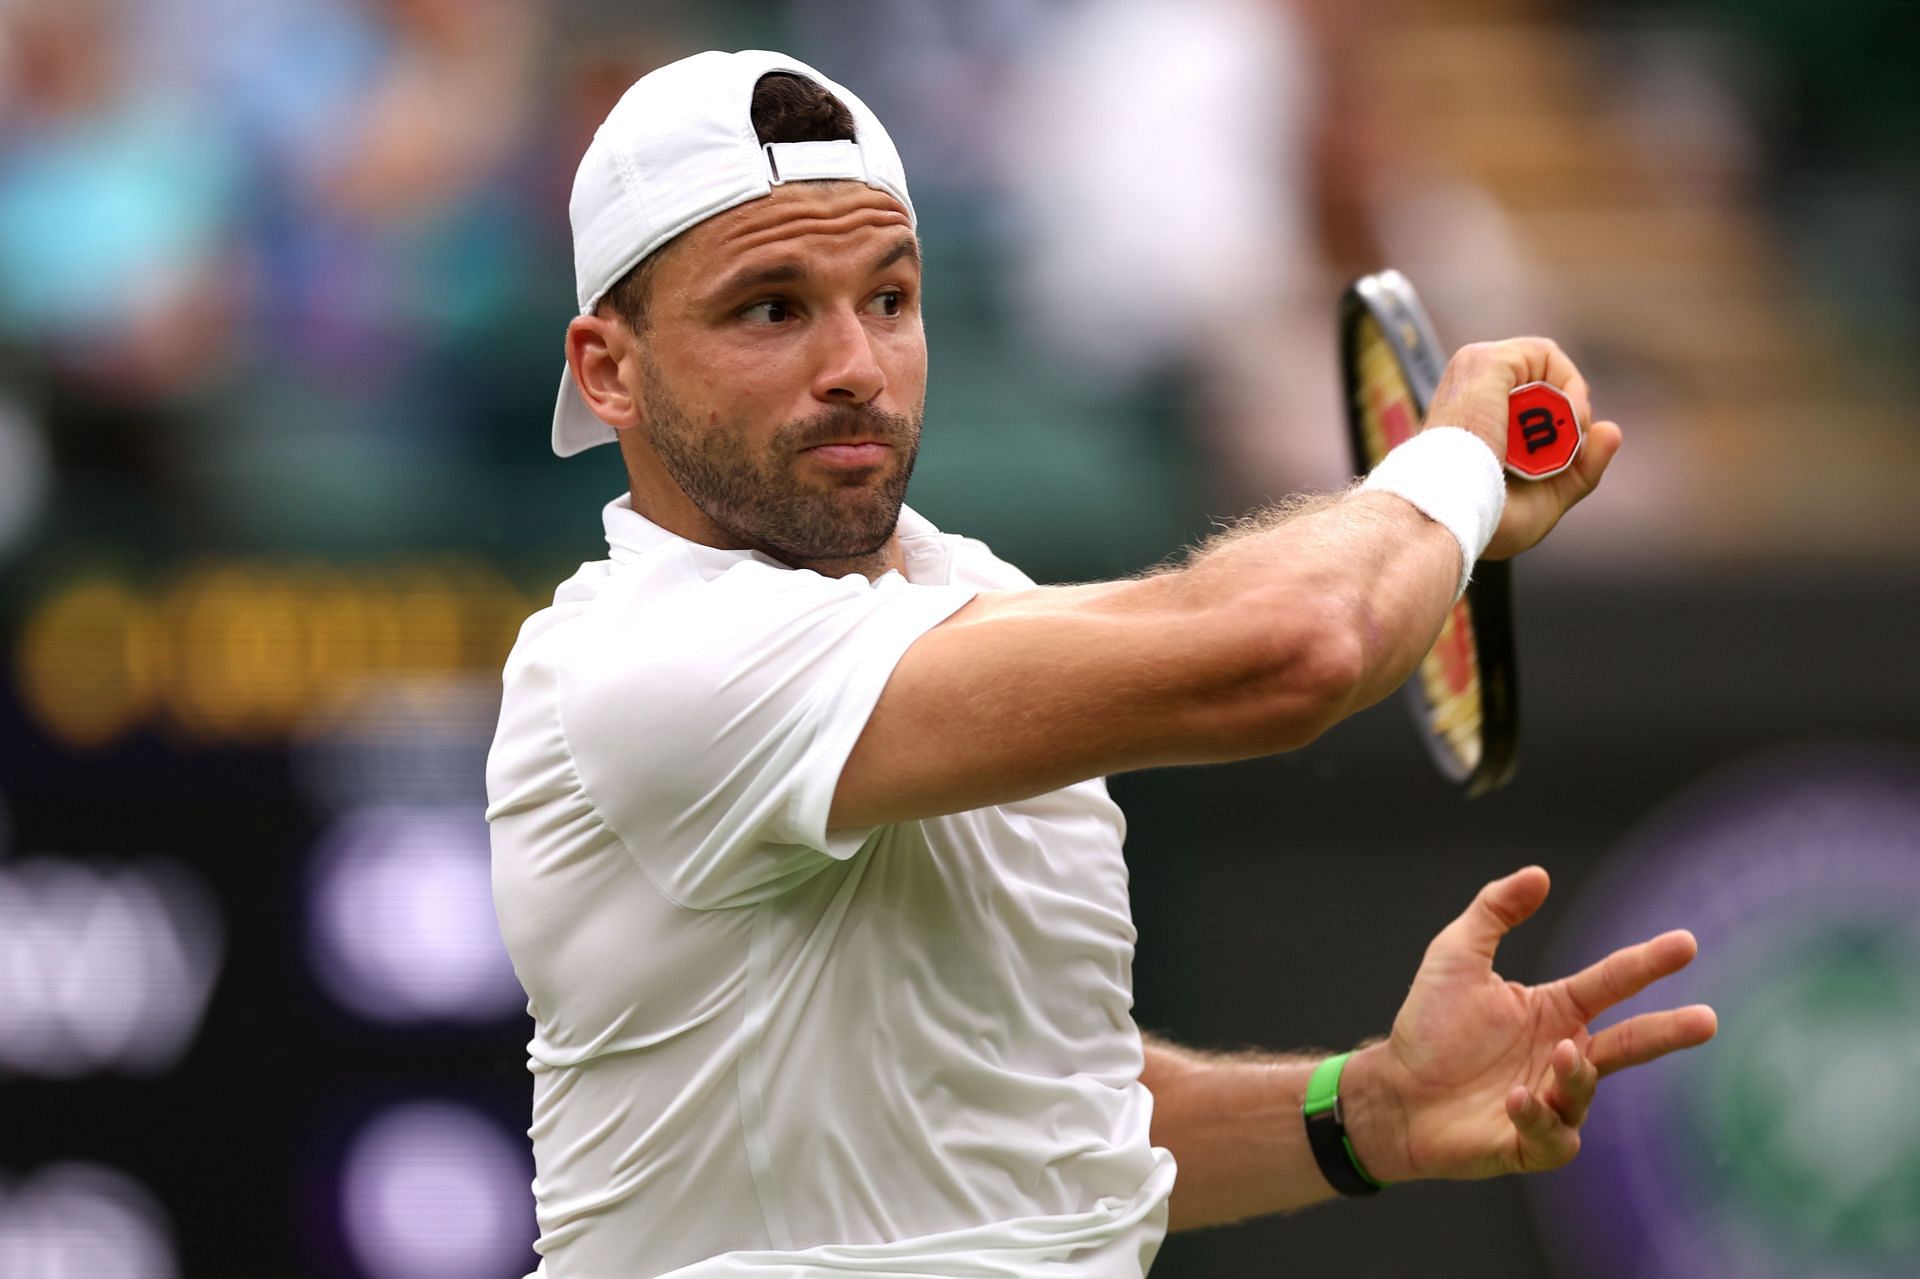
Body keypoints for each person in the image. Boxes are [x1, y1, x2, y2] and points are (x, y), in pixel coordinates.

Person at [484, 49, 1717, 1279]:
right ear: (610, 371)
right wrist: (1451, 468)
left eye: (891, 298)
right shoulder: (643, 660)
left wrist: (1374, 1108)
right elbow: (1297, 647)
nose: (856, 363)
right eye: (773, 308)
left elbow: (1046, 1118)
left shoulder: (980, 600)